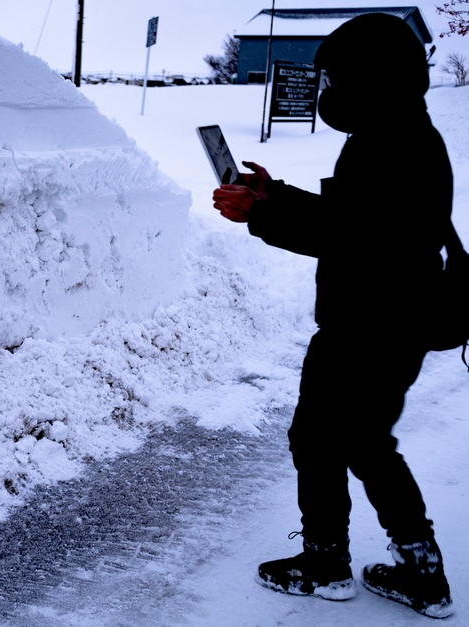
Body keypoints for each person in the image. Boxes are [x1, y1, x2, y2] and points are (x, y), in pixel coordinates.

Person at [212, 13, 455, 619]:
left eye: (338, 78)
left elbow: (353, 234)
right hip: (391, 322)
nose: (329, 91)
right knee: (362, 442)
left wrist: (259, 216)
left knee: (326, 440)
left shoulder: (393, 144)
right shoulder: (397, 133)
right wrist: (277, 196)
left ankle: (326, 563)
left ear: (373, 79)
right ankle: (420, 573)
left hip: (367, 327)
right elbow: (355, 216)